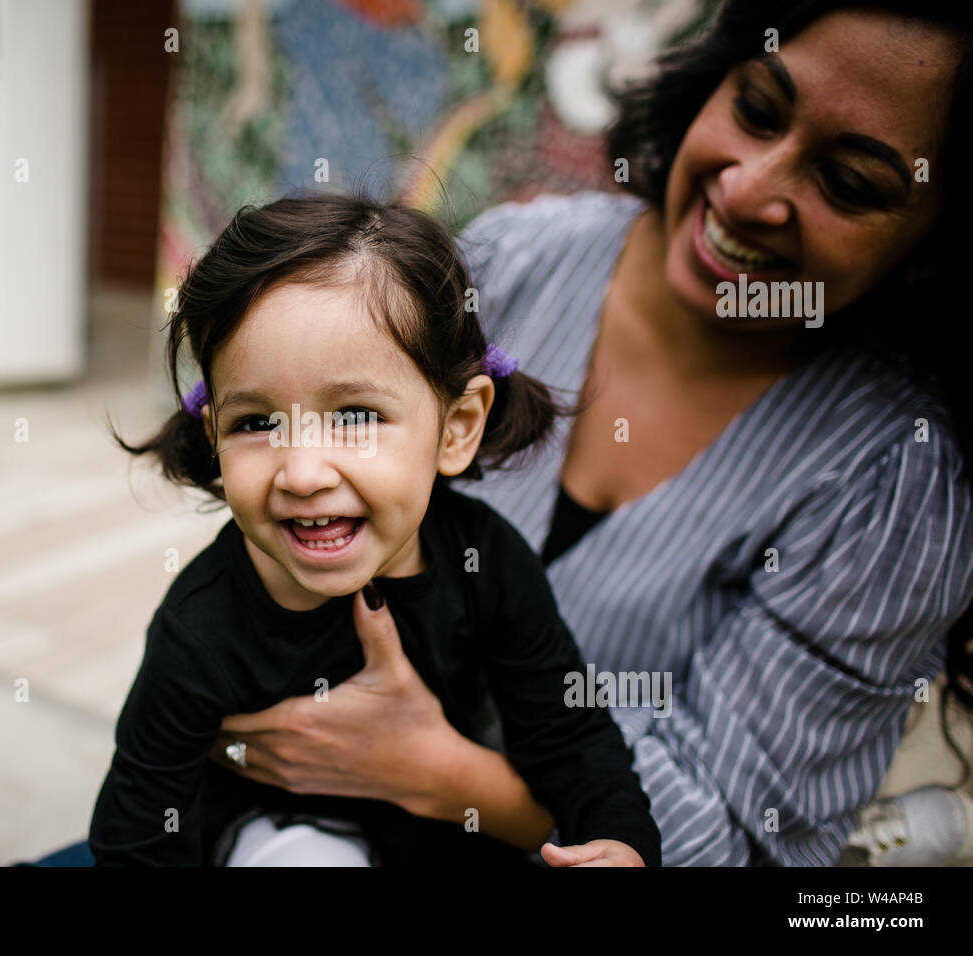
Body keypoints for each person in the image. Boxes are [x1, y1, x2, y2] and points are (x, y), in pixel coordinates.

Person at [202, 0, 973, 867]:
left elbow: (742, 839)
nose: (750, 189)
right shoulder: (514, 263)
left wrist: (440, 775)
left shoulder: (893, 482)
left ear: (934, 245)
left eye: (848, 184)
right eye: (757, 110)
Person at [87, 190, 662, 867]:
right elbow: (138, 834)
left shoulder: (489, 566)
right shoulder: (201, 627)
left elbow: (570, 734)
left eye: (356, 417)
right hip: (280, 834)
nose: (302, 473)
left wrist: (623, 843)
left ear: (457, 427)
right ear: (214, 436)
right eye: (257, 423)